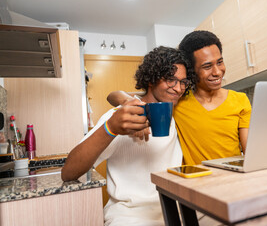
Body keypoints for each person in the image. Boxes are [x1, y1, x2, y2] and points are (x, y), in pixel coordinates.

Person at [61, 46, 192, 226]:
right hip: (129, 217)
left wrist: (122, 97)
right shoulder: (120, 117)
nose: (178, 88)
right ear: (152, 78)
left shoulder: (176, 111)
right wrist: (111, 127)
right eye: (171, 79)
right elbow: (68, 172)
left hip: (173, 212)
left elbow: (117, 94)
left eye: (183, 81)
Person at [107, 30, 252, 166]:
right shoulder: (176, 99)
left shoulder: (240, 100)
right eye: (207, 66)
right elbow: (115, 95)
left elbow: (250, 152)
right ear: (191, 71)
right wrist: (132, 106)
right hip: (194, 183)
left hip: (232, 178)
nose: (217, 72)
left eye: (219, 62)